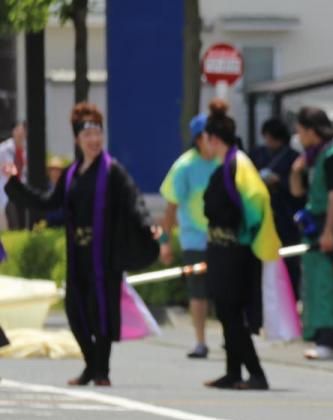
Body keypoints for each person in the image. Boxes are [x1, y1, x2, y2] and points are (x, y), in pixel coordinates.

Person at [3, 103, 157, 386]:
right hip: (78, 252)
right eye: (88, 135)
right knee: (76, 311)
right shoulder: (72, 174)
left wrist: (148, 226)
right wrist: (13, 183)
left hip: (105, 254)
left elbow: (134, 201)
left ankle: (102, 370)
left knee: (102, 310)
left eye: (98, 133)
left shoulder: (113, 171)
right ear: (77, 139)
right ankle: (91, 364)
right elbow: (48, 203)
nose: (94, 140)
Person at [198, 99, 281, 391]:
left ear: (213, 139)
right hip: (223, 250)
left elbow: (257, 200)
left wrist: (245, 235)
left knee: (232, 314)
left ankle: (256, 373)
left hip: (235, 252)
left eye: (204, 140)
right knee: (225, 311)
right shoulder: (228, 164)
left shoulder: (238, 164)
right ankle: (233, 371)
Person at [290, 106, 333, 361]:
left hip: (331, 228)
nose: (298, 137)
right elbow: (297, 192)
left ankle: (332, 340)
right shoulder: (313, 157)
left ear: (311, 131)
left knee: (329, 285)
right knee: (316, 285)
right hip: (315, 229)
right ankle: (322, 339)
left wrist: (329, 232)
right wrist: (296, 170)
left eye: (300, 131)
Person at [159, 113, 219, 359]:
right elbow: (171, 208)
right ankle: (201, 341)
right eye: (209, 135)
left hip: (221, 238)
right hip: (194, 239)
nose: (213, 140)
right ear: (198, 139)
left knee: (225, 291)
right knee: (198, 292)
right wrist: (165, 243)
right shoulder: (184, 167)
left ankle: (231, 339)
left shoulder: (224, 161)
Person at [251, 117, 303, 294]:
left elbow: (299, 191)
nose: (268, 141)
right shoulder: (257, 154)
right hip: (262, 215)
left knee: (289, 261)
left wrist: (279, 182)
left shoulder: (293, 158)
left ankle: (291, 296)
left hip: (286, 217)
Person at [0, 121, 28, 230]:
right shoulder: (3, 149)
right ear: (13, 132)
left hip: (22, 188)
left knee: (23, 218)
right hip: (7, 188)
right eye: (18, 130)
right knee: (12, 217)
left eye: (23, 131)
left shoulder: (27, 149)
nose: (20, 134)